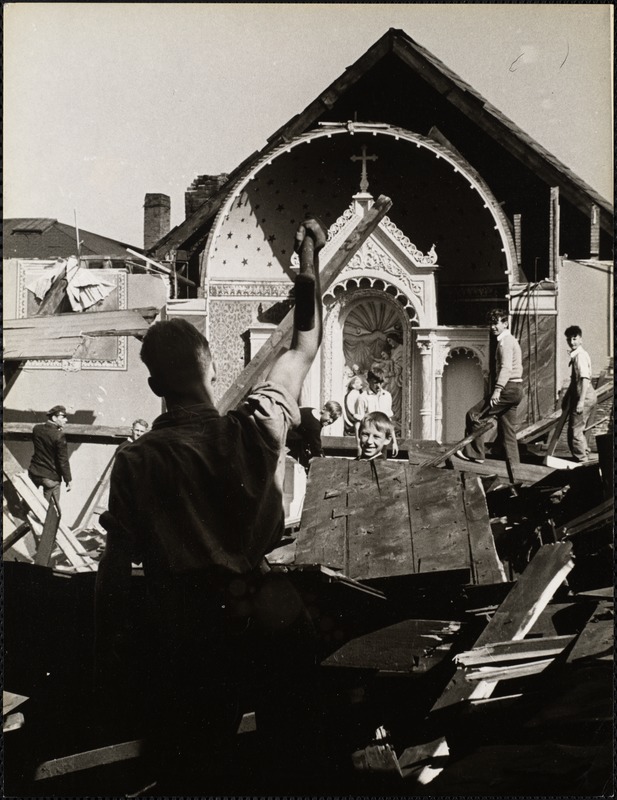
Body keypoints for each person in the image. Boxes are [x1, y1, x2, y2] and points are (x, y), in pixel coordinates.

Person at [94, 216, 327, 793]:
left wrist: (114, 646)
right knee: (278, 761)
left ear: (154, 387)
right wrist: (308, 262)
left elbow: (116, 573)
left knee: (197, 767)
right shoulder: (260, 424)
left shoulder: (137, 461)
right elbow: (305, 342)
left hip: (186, 631)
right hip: (265, 620)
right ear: (213, 366)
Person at [456, 309, 523, 465]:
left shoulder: (505, 341)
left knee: (474, 415)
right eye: (491, 324)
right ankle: (516, 468)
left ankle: (476, 454)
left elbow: (506, 367)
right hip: (516, 389)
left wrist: (498, 390)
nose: (492, 327)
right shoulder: (511, 340)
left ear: (505, 323)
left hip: (507, 388)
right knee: (508, 431)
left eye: (496, 323)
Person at [563, 325, 597, 462]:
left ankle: (582, 461)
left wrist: (581, 402)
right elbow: (574, 381)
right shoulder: (576, 355)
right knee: (576, 429)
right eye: (569, 339)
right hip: (583, 396)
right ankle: (584, 454)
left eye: (575, 339)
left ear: (581, 339)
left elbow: (585, 379)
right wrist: (566, 399)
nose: (572, 342)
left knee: (575, 431)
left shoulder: (580, 356)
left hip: (585, 396)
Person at [28, 404, 72, 506]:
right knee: (50, 512)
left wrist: (57, 430)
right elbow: (63, 460)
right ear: (54, 418)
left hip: (34, 473)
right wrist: (68, 479)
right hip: (51, 478)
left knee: (28, 504)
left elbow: (46, 440)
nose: (66, 420)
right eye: (63, 417)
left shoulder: (36, 429)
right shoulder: (59, 436)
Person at [353, 368, 399, 457]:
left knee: (382, 466)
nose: (379, 386)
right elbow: (358, 423)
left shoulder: (387, 396)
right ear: (368, 381)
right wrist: (358, 445)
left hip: (381, 440)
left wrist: (394, 442)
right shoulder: (362, 397)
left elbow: (388, 422)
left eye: (381, 382)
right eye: (375, 382)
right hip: (368, 441)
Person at [286, 401, 342, 469]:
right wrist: (324, 462)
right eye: (330, 416)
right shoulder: (315, 426)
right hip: (288, 443)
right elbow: (316, 448)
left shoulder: (311, 410)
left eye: (334, 420)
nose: (331, 421)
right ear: (324, 409)